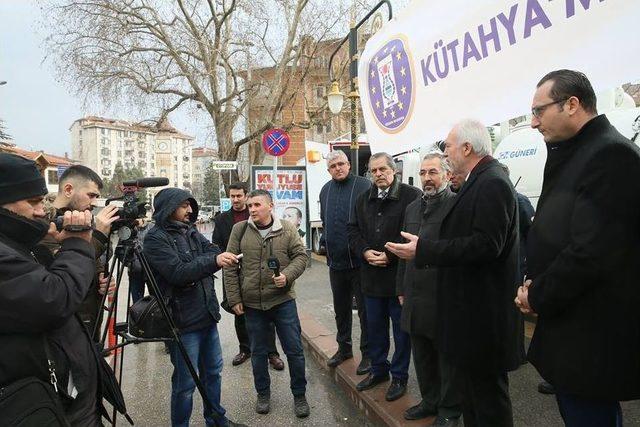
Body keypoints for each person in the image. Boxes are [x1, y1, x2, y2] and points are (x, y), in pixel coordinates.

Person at [515, 69, 640, 426]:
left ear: (572, 104)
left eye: (540, 111)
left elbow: (591, 252)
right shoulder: (582, 151)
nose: (534, 123)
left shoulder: (611, 155)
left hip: (591, 336)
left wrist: (535, 296)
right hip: (574, 326)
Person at [386, 119, 524, 427]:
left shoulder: (492, 182)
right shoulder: (480, 180)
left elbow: (487, 245)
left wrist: (424, 250)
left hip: (484, 319)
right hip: (470, 316)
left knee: (489, 402)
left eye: (447, 146)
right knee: (474, 397)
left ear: (466, 147)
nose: (445, 152)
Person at [0, 153, 102, 425]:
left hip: (64, 398)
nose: (41, 211)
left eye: (43, 201)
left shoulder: (20, 243)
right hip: (39, 405)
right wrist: (80, 243)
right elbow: (54, 299)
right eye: (32, 202)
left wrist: (46, 244)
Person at [143, 187, 244, 427]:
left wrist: (205, 262)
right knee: (185, 384)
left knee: (213, 373)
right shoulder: (155, 238)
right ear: (169, 208)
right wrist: (209, 262)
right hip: (181, 323)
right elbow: (178, 273)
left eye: (190, 205)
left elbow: (212, 250)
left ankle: (216, 419)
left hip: (207, 315)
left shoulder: (189, 230)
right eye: (183, 205)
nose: (189, 210)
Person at [223, 189, 310, 418]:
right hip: (252, 304)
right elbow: (230, 266)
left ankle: (299, 395)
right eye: (250, 205)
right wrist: (234, 299)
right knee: (259, 352)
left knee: (294, 350)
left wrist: (287, 275)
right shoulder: (239, 230)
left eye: (257, 205)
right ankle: (263, 393)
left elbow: (301, 257)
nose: (252, 209)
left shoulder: (287, 229)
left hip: (283, 301)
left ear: (270, 206)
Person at [348, 152, 422, 402]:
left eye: (383, 169)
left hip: (399, 279)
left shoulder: (412, 196)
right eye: (373, 171)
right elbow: (353, 230)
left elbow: (415, 232)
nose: (378, 174)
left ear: (394, 170)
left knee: (402, 333)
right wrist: (365, 251)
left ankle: (400, 376)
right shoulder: (362, 199)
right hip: (370, 277)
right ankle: (379, 370)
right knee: (375, 329)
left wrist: (390, 255)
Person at [396, 153, 461, 424]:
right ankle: (430, 401)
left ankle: (449, 411)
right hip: (414, 294)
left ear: (446, 174)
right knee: (421, 355)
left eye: (433, 172)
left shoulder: (457, 206)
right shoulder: (412, 208)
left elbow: (460, 252)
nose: (427, 178)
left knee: (446, 358)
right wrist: (401, 287)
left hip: (442, 295)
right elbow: (404, 251)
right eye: (423, 173)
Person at [42, 165, 120, 338]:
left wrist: (102, 278)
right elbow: (66, 262)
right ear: (68, 189)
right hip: (65, 325)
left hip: (91, 320)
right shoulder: (46, 223)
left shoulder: (85, 220)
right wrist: (98, 235)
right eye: (91, 195)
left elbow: (91, 262)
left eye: (97, 197)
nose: (94, 203)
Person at [212, 182, 283, 370]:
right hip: (234, 272)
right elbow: (216, 244)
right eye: (232, 196)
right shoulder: (222, 219)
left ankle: (272, 352)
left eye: (239, 196)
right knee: (239, 312)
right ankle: (245, 349)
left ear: (246, 196)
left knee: (266, 312)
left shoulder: (255, 215)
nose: (235, 200)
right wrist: (227, 258)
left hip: (258, 272)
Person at [319, 150, 371, 374]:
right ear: (328, 170)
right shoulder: (325, 190)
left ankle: (368, 354)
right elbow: (325, 220)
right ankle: (344, 348)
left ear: (349, 165)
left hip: (360, 262)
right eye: (333, 166)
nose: (338, 168)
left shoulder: (364, 186)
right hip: (336, 263)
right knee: (341, 310)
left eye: (341, 164)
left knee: (365, 312)